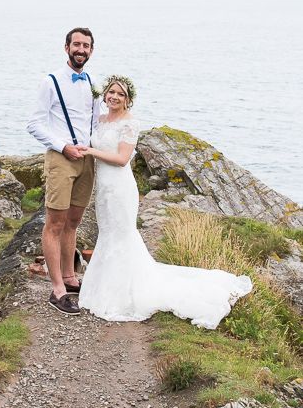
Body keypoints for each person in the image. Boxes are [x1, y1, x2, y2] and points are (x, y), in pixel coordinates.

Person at [78, 75, 252, 329]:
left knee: (123, 235)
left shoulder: (130, 124)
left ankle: (124, 295)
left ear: (128, 100)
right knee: (107, 234)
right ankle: (102, 289)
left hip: (120, 186)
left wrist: (91, 151)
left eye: (120, 94)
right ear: (105, 95)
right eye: (111, 92)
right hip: (103, 188)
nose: (114, 97)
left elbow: (122, 159)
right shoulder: (101, 120)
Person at [27, 27, 99, 315]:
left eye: (86, 45)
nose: (81, 49)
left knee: (73, 221)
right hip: (61, 158)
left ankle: (70, 277)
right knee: (54, 223)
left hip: (87, 159)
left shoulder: (92, 82)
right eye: (77, 44)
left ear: (91, 50)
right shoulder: (51, 81)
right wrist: (63, 146)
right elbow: (34, 124)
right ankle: (57, 290)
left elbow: (93, 122)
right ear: (67, 47)